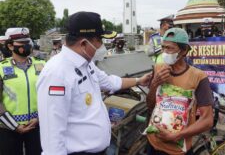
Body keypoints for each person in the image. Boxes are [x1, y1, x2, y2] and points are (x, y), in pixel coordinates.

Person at [37, 11, 152, 155]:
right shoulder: (57, 73)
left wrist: (138, 80)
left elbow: (109, 82)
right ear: (84, 43)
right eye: (100, 40)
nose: (102, 46)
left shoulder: (86, 63)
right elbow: (52, 136)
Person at [146, 27, 214, 155]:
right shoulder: (159, 68)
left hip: (178, 149)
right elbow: (150, 106)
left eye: (170, 48)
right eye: (163, 47)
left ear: (183, 51)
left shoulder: (198, 76)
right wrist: (155, 83)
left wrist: (177, 136)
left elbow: (207, 120)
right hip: (153, 143)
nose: (164, 52)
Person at [0, 27, 45, 155]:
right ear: (10, 46)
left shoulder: (42, 65)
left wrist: (39, 119)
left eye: (28, 42)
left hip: (37, 126)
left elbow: (49, 96)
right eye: (21, 43)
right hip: (8, 129)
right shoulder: (1, 68)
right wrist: (15, 126)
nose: (26, 46)